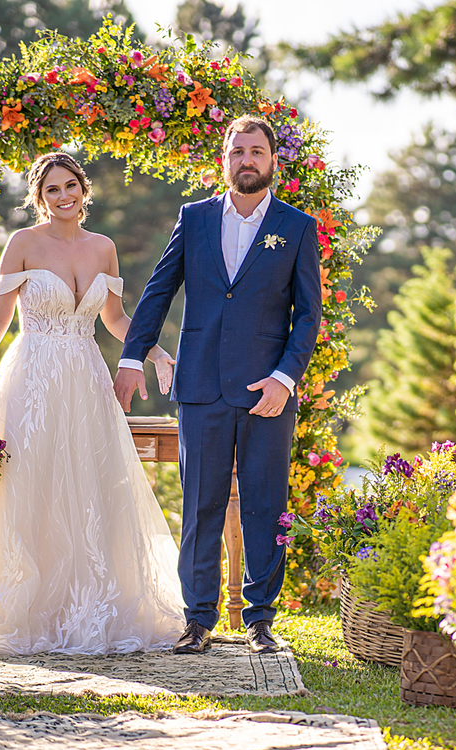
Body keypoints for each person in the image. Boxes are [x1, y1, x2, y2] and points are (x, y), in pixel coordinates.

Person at [0, 152, 185, 656]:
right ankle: (24, 608)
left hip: (86, 380)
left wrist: (153, 351)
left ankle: (82, 604)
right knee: (28, 485)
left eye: (70, 186)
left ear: (84, 190)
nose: (63, 196)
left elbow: (114, 318)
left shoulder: (104, 248)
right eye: (52, 190)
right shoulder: (22, 243)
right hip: (32, 379)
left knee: (88, 485)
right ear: (39, 198)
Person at [115, 115, 322, 655]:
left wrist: (284, 379)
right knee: (200, 505)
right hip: (200, 386)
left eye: (256, 151)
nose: (246, 160)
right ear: (223, 159)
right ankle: (198, 620)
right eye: (238, 151)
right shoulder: (195, 218)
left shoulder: (298, 227)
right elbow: (158, 292)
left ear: (273, 160)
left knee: (265, 505)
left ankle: (260, 619)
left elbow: (308, 316)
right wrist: (132, 357)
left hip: (266, 393)